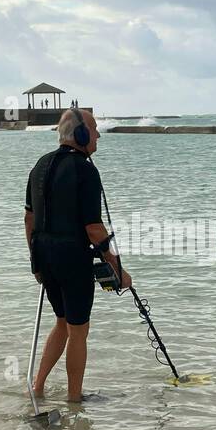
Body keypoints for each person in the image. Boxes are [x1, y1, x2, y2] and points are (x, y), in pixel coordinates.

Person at [24, 108, 130, 402]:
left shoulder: (40, 165)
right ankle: (74, 398)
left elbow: (29, 219)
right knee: (78, 330)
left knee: (62, 322)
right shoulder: (85, 169)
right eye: (94, 130)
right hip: (72, 257)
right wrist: (118, 268)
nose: (97, 135)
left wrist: (35, 261)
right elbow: (94, 228)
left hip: (44, 254)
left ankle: (38, 386)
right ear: (81, 134)